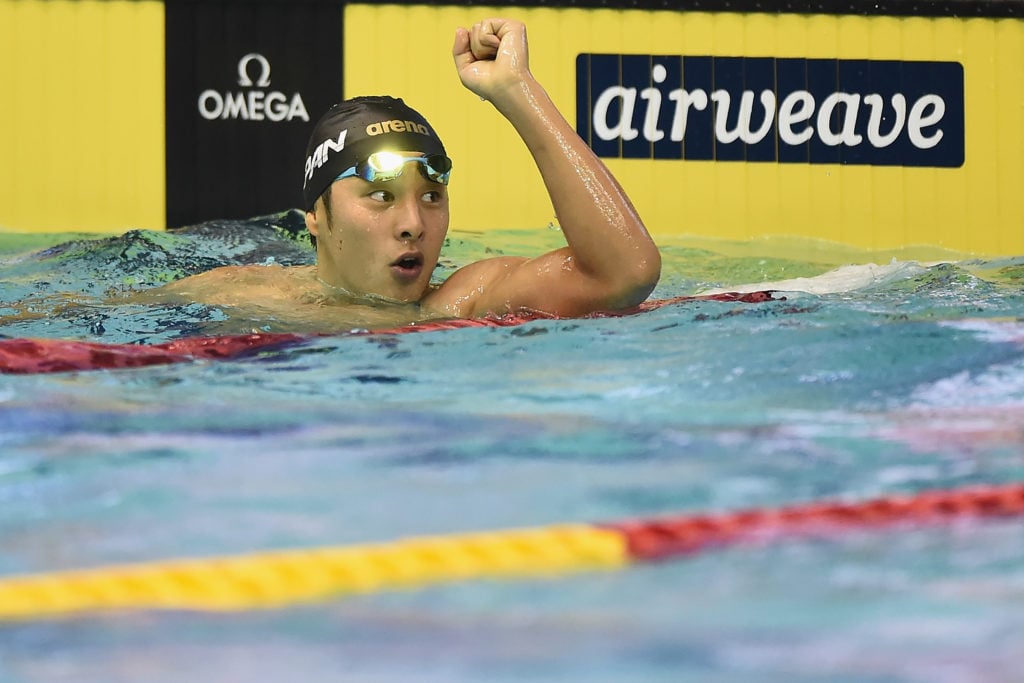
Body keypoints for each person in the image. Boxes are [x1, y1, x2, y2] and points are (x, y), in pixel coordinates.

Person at [155, 18, 660, 332]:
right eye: (380, 195)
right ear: (315, 217)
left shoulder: (467, 301)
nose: (413, 223)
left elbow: (625, 274)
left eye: (433, 196)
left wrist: (515, 90)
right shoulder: (239, 293)